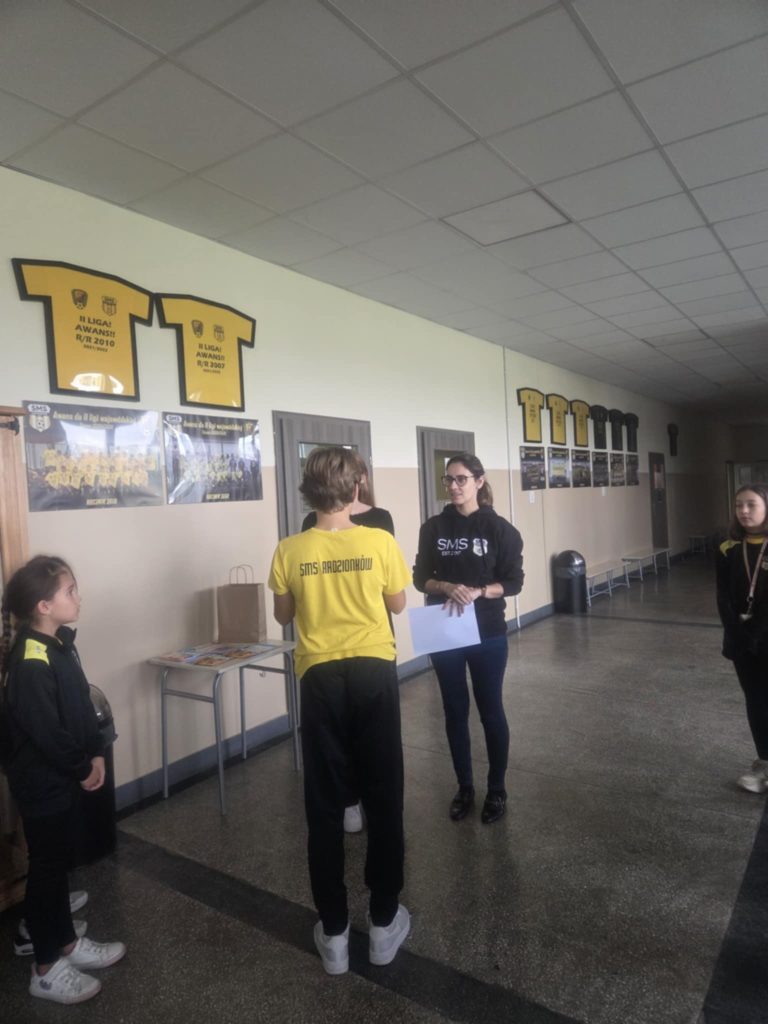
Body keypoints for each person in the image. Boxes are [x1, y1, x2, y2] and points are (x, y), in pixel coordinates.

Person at [269, 447, 411, 976]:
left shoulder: (289, 549)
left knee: (325, 802)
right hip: (373, 672)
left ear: (307, 493)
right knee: (384, 794)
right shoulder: (380, 541)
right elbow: (397, 603)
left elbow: (284, 615)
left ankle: (333, 933)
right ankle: (383, 922)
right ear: (356, 490)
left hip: (320, 679)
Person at [0, 556, 126, 1004]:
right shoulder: (31, 661)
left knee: (55, 866)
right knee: (47, 871)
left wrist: (96, 751)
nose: (78, 597)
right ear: (43, 605)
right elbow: (48, 733)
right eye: (69, 591)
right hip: (43, 783)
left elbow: (78, 704)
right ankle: (46, 967)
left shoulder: (58, 643)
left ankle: (67, 942)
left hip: (64, 777)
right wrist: (81, 766)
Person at [413, 453, 524, 825]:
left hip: (487, 632)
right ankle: (464, 787)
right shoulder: (433, 528)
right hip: (444, 629)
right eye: (449, 479)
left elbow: (514, 582)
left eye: (461, 479)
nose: (454, 486)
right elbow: (420, 578)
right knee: (454, 710)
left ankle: (497, 789)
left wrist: (480, 591)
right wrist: (446, 586)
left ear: (479, 481)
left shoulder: (501, 530)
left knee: (490, 710)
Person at [301, 450, 394, 834]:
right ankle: (352, 801)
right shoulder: (307, 532)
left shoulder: (380, 522)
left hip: (370, 642)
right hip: (331, 647)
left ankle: (372, 803)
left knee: (367, 739)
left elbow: (391, 590)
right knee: (341, 740)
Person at [716, 484, 768, 793]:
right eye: (739, 505)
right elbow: (723, 595)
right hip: (742, 642)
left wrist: (757, 632)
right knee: (756, 700)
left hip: (764, 636)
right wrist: (735, 632)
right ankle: (764, 762)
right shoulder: (727, 547)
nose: (744, 511)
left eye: (751, 504)